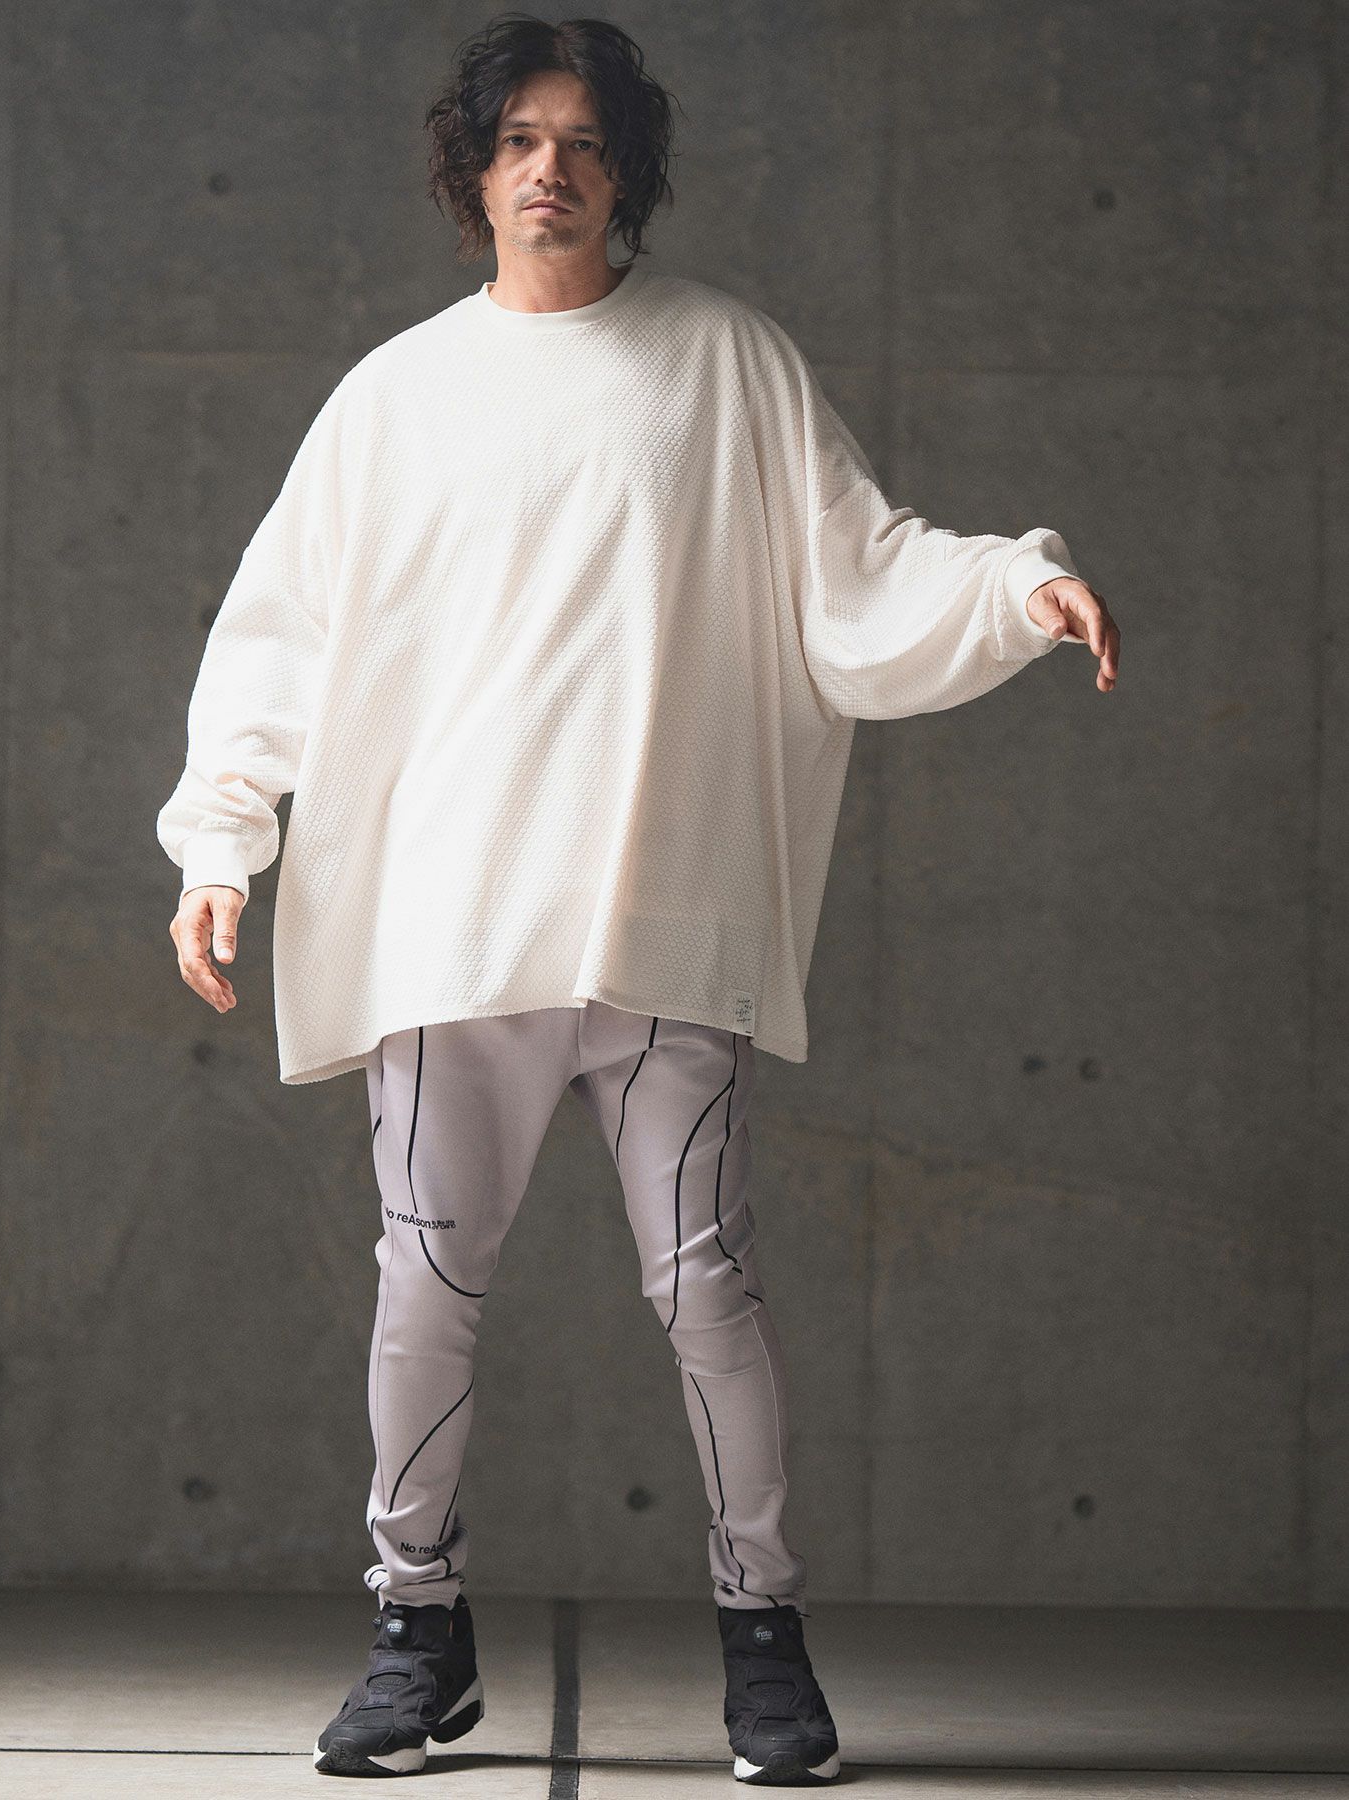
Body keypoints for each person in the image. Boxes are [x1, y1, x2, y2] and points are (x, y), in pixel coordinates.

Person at [155, 13, 1120, 1787]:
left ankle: (765, 1639)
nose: (551, 169)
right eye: (519, 139)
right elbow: (274, 638)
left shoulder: (726, 363)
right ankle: (414, 1629)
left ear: (628, 166)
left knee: (709, 1288)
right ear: (474, 168)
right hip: (449, 925)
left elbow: (859, 573)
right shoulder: (395, 399)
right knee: (424, 1285)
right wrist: (223, 848)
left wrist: (1012, 588)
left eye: (584, 140)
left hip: (665, 912)